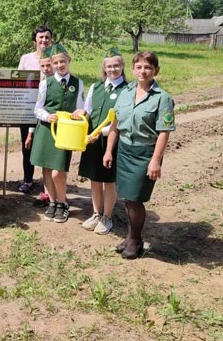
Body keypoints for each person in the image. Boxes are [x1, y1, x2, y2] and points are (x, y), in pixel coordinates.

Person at [104, 51, 175, 259]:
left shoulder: (163, 98)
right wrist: (109, 150)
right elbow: (115, 125)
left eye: (148, 67)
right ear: (133, 70)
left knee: (135, 199)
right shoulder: (126, 92)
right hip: (125, 150)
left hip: (145, 152)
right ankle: (130, 237)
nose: (143, 71)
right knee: (127, 198)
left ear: (156, 71)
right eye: (139, 67)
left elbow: (164, 132)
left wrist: (155, 161)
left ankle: (136, 240)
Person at [73, 48, 127, 235]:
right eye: (109, 66)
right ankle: (96, 213)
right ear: (104, 68)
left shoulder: (127, 90)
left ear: (123, 66)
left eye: (116, 66)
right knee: (95, 178)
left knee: (109, 181)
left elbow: (122, 119)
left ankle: (107, 217)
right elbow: (88, 111)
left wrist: (101, 131)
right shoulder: (96, 87)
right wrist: (81, 117)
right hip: (92, 140)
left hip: (111, 140)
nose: (113, 69)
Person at [30, 44, 84, 224]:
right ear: (51, 65)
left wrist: (80, 113)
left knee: (57, 171)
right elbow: (37, 109)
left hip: (66, 132)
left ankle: (63, 203)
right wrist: (47, 116)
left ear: (69, 61)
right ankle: (52, 202)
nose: (60, 65)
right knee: (46, 167)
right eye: (56, 62)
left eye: (63, 61)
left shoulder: (78, 83)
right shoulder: (45, 83)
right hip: (47, 129)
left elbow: (82, 106)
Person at [18, 25, 54, 195]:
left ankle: (49, 184)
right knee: (27, 145)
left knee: (48, 146)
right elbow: (18, 81)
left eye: (47, 37)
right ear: (35, 40)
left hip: (50, 109)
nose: (44, 40)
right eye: (41, 37)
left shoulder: (55, 58)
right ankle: (28, 180)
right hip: (28, 109)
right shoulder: (26, 59)